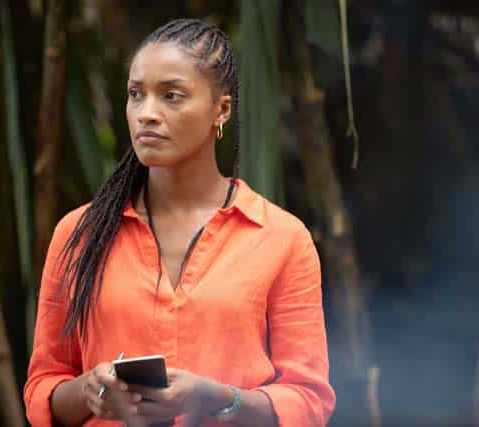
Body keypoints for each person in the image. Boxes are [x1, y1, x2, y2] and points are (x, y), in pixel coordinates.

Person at [24, 18, 335, 427]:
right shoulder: (79, 234)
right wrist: (89, 391)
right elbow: (44, 387)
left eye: (171, 95)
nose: (147, 114)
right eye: (136, 94)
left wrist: (216, 398)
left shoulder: (281, 239)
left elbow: (308, 401)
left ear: (221, 109)